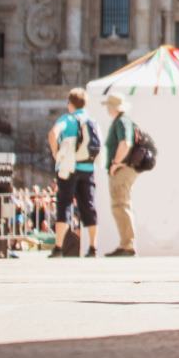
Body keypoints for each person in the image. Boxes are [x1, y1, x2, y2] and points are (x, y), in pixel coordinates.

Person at [47, 87, 98, 257]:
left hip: (68, 168)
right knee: (88, 206)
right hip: (88, 168)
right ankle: (93, 247)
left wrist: (56, 154)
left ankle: (59, 247)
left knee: (65, 205)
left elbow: (53, 133)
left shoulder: (67, 119)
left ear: (70, 103)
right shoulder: (92, 121)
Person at [103, 93, 138, 257]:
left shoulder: (121, 121)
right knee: (121, 205)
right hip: (125, 169)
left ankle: (127, 244)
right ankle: (126, 243)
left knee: (120, 205)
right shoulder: (124, 121)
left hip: (121, 170)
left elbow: (125, 143)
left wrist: (115, 163)